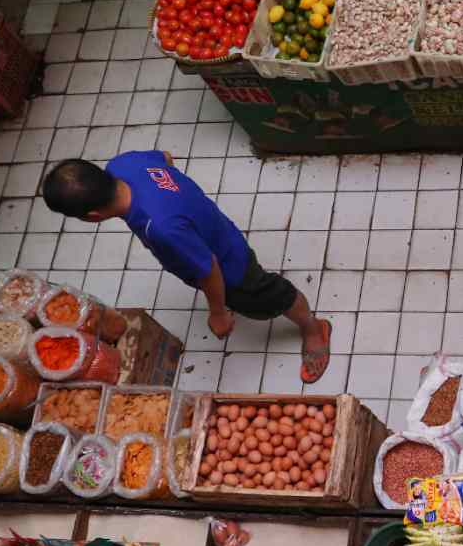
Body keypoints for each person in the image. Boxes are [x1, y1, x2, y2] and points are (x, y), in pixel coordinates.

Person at [41, 152, 331, 383]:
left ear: (92, 216)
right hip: (215, 232)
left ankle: (313, 328)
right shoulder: (123, 163)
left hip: (230, 265)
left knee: (270, 295)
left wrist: (218, 313)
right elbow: (165, 157)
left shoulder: (162, 230)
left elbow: (209, 269)